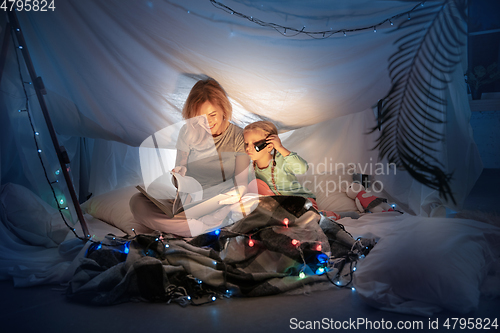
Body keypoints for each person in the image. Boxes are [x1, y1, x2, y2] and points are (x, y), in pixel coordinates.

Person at [130, 78, 249, 237]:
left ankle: (187, 227)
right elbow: (179, 175)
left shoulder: (239, 136)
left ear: (224, 110)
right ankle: (197, 228)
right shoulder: (187, 132)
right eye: (200, 118)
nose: (207, 123)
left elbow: (242, 182)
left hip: (219, 202)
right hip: (190, 202)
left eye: (212, 115)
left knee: (235, 210)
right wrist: (179, 174)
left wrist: (237, 193)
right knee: (137, 202)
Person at [243, 121, 340, 220]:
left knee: (306, 218)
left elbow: (303, 168)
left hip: (300, 200)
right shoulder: (250, 168)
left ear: (269, 145)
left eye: (255, 143)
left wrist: (280, 148)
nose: (248, 148)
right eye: (246, 144)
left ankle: (329, 214)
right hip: (280, 207)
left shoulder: (282, 159)